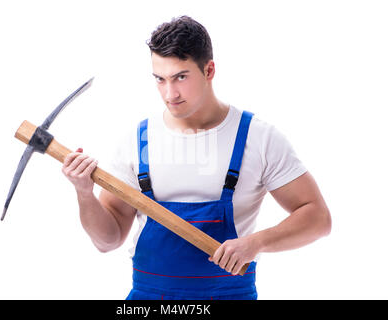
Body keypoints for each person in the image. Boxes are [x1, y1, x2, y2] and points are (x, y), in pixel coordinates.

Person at [62, 16, 331, 300]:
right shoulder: (138, 141)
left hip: (229, 295)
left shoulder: (258, 137)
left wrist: (256, 243)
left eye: (181, 77)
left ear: (209, 70)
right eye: (160, 79)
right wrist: (84, 193)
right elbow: (108, 240)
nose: (170, 93)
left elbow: (318, 218)